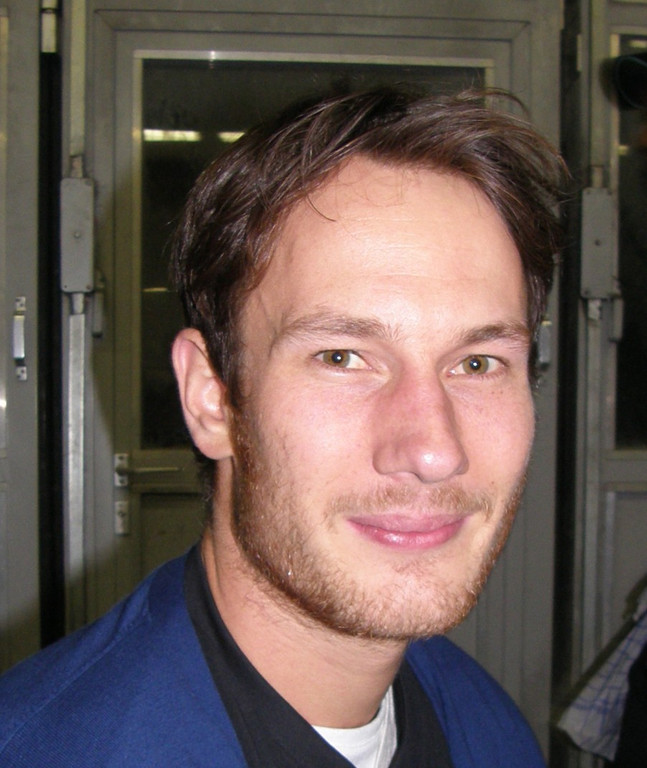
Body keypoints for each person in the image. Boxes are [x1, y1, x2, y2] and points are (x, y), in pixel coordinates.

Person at [0, 86, 565, 767]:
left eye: (477, 363)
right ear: (212, 398)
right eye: (341, 357)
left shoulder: (490, 729)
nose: (432, 450)